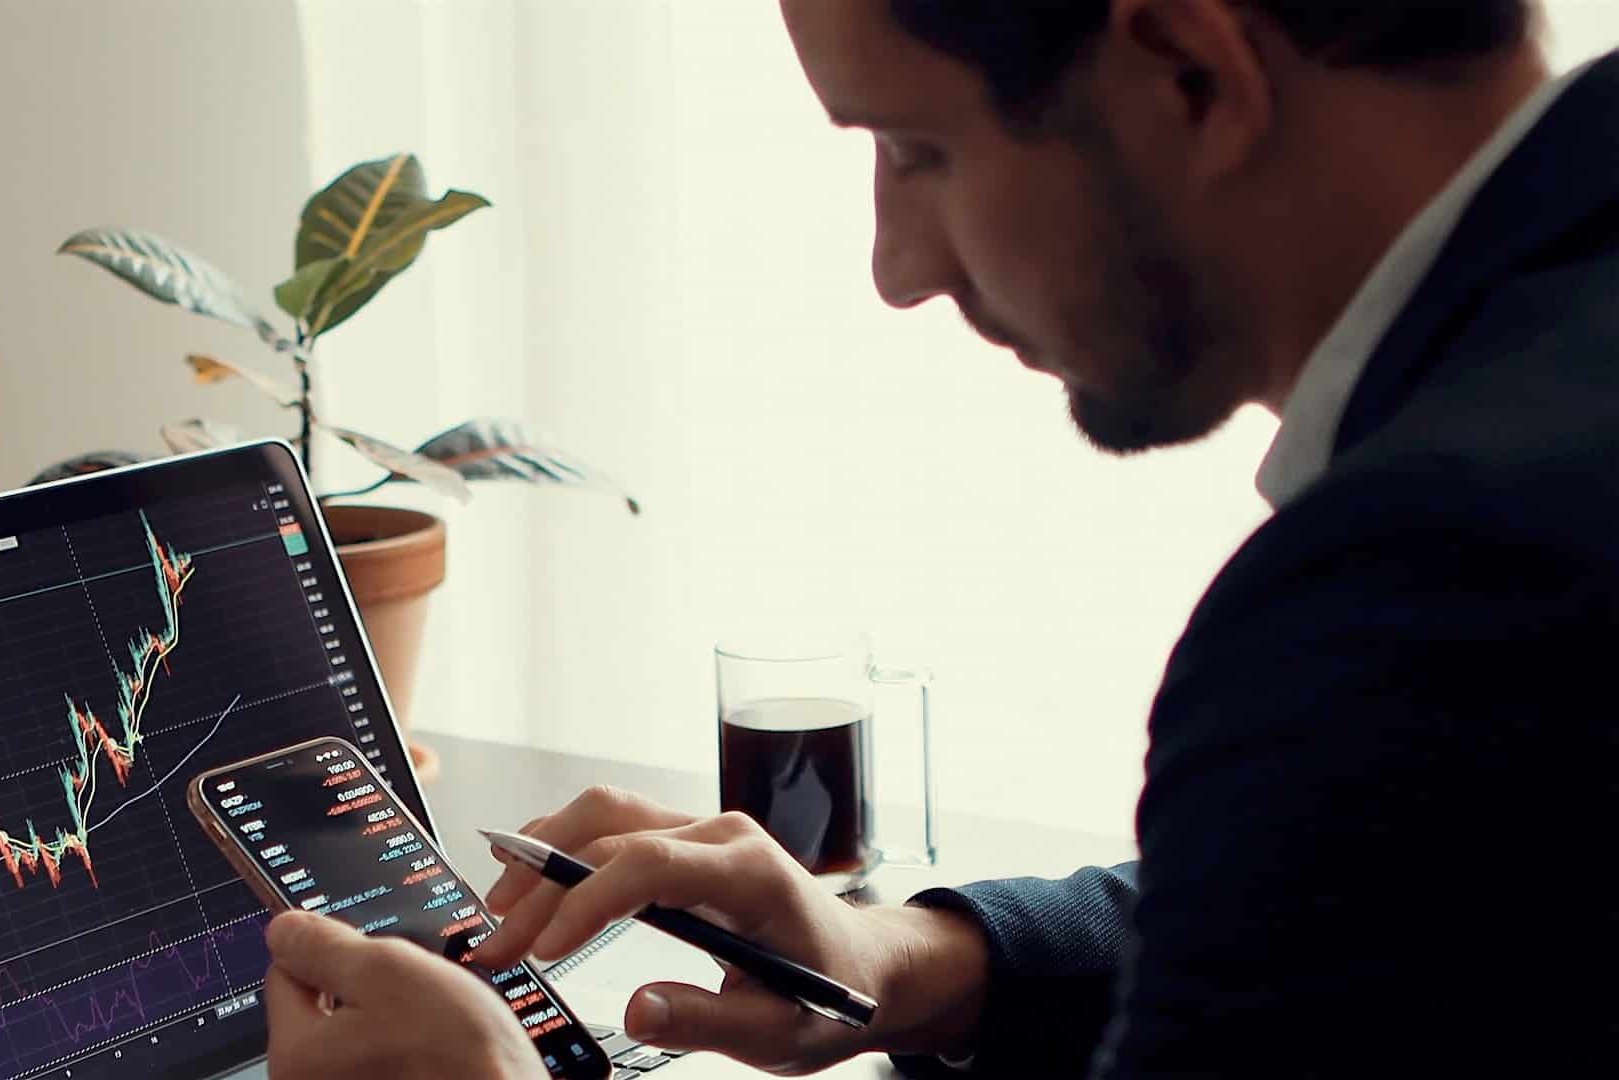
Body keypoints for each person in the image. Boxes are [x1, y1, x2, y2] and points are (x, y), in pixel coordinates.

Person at [260, 0, 1619, 1075]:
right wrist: (902, 959)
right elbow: (1374, 910)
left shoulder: (1419, 585)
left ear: (1189, 73)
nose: (896, 269)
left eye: (917, 151)